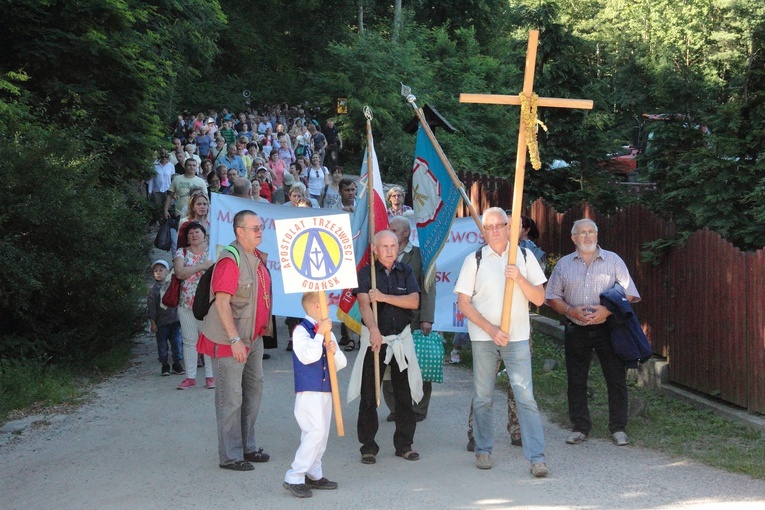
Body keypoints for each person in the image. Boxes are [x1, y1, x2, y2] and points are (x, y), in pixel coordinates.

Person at [454, 207, 548, 477]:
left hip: (517, 338)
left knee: (525, 397)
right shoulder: (475, 259)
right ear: (483, 231)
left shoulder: (525, 256)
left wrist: (518, 277)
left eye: (499, 225)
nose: (494, 230)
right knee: (483, 397)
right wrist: (491, 329)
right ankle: (483, 450)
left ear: (509, 228)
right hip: (484, 338)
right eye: (489, 227)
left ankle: (537, 457)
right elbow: (463, 303)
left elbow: (539, 299)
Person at [545, 218, 640, 447]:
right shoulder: (564, 264)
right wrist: (570, 310)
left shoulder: (613, 260)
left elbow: (630, 293)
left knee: (615, 378)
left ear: (597, 235)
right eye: (582, 233)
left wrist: (607, 310)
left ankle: (618, 428)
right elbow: (551, 297)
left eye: (591, 232)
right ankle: (580, 427)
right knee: (576, 380)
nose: (587, 236)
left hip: (609, 328)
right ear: (573, 238)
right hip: (575, 328)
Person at [196, 210, 272, 471]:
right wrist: (234, 339)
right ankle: (230, 455)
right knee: (231, 397)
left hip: (254, 338)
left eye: (260, 226)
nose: (260, 231)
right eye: (254, 228)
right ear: (240, 232)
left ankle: (247, 447)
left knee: (253, 390)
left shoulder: (257, 258)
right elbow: (223, 303)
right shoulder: (231, 260)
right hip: (232, 339)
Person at [347, 230, 423, 465]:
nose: (390, 250)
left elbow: (413, 301)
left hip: (401, 339)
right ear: (375, 249)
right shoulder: (365, 273)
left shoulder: (406, 271)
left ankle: (404, 444)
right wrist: (373, 330)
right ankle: (368, 446)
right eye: (385, 246)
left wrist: (383, 297)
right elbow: (364, 304)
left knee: (404, 393)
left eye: (393, 245)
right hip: (376, 339)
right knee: (369, 393)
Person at [283, 292, 347, 499]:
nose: (328, 307)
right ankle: (295, 475)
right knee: (315, 431)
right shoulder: (301, 330)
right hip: (309, 389)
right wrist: (320, 336)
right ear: (316, 307)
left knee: (322, 434)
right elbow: (307, 357)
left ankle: (314, 472)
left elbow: (341, 363)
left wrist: (333, 350)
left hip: (326, 389)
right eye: (325, 304)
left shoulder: (327, 330)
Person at [382, 217, 436, 422]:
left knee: (418, 365)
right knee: (388, 365)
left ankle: (419, 409)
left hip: (412, 320)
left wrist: (427, 318)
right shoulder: (381, 253)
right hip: (387, 321)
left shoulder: (420, 256)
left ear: (405, 233)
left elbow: (428, 288)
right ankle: (396, 408)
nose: (390, 231)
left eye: (394, 229)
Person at [174, 222, 215, 390]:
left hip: (207, 304)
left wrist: (192, 269)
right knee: (189, 340)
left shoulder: (212, 252)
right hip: (186, 303)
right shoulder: (181, 252)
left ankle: (210, 376)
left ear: (204, 234)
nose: (193, 235)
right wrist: (201, 267)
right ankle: (190, 377)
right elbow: (179, 272)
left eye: (197, 231)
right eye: (190, 233)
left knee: (208, 338)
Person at [147, 260, 184, 377]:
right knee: (162, 345)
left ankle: (177, 363)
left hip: (174, 320)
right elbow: (151, 308)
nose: (158, 273)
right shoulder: (153, 290)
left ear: (167, 271)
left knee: (177, 343)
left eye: (161, 270)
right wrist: (152, 322)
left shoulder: (172, 286)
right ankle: (165, 365)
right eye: (155, 271)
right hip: (161, 323)